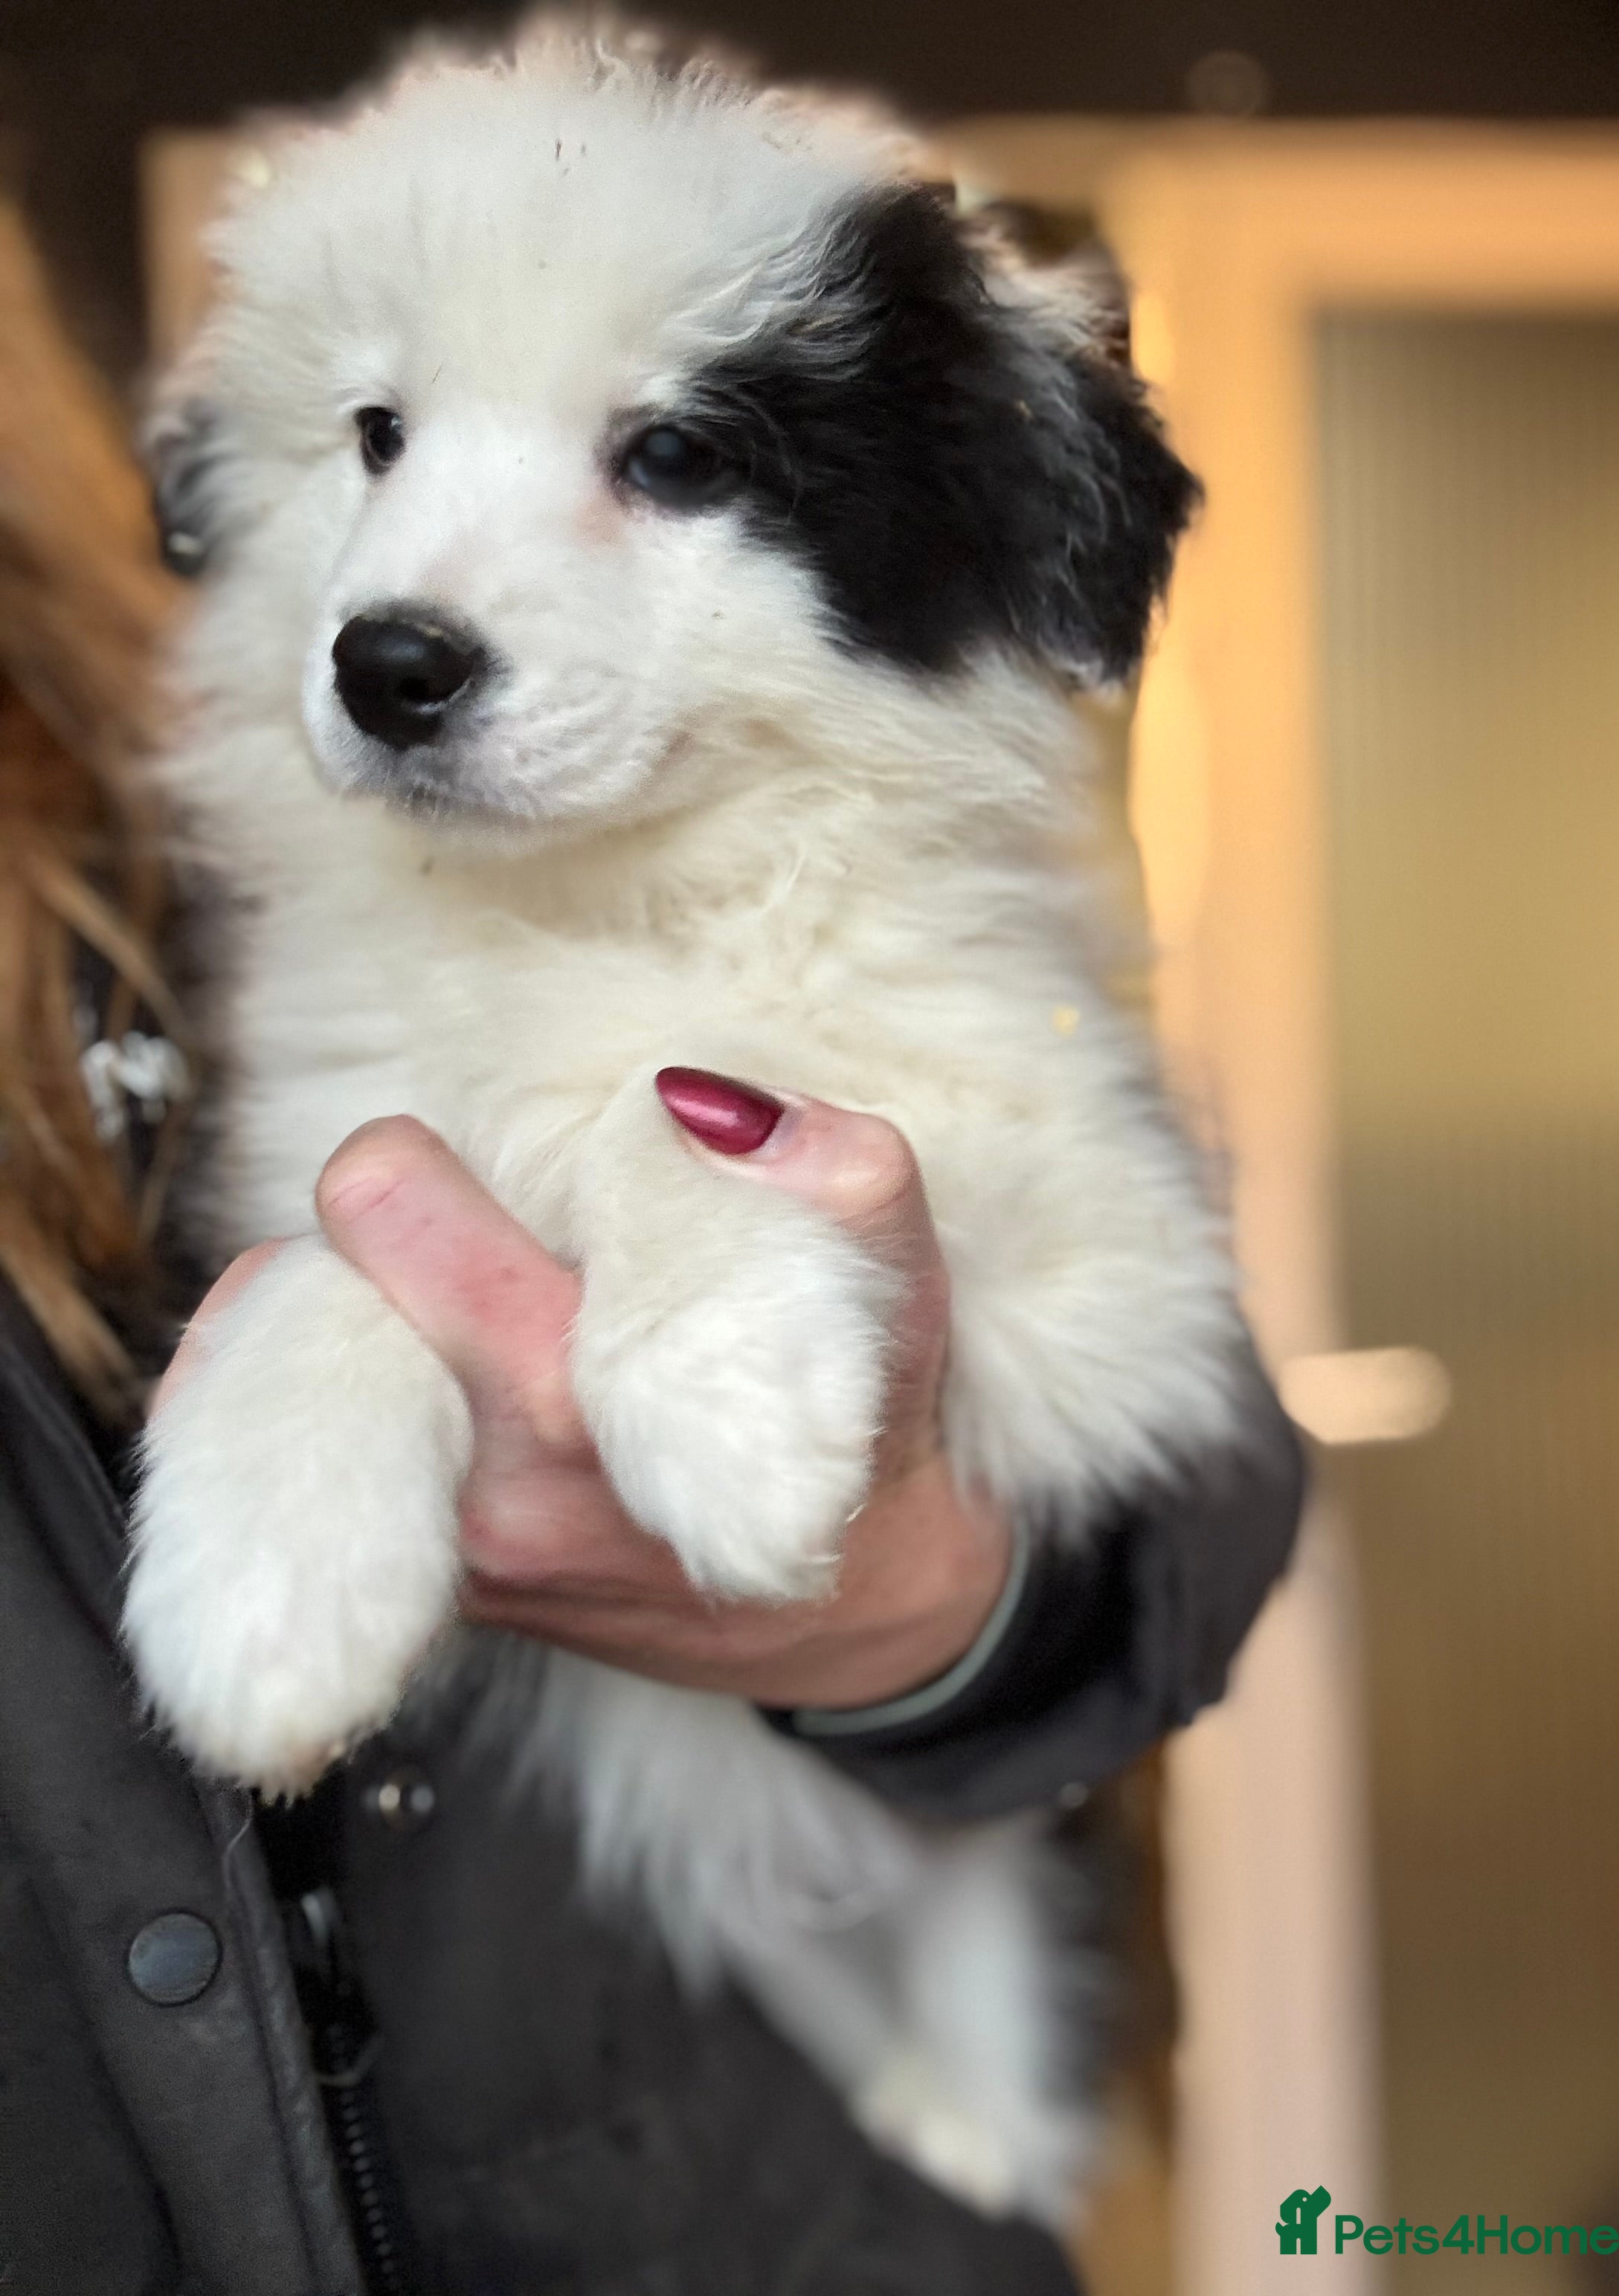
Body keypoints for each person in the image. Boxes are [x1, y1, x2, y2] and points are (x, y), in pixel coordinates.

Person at [0, 204, 1304, 2296]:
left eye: (670, 454)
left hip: (723, 2199)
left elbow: (1202, 1465)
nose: (422, 584)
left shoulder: (163, 766)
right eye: (383, 437)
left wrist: (925, 1605)